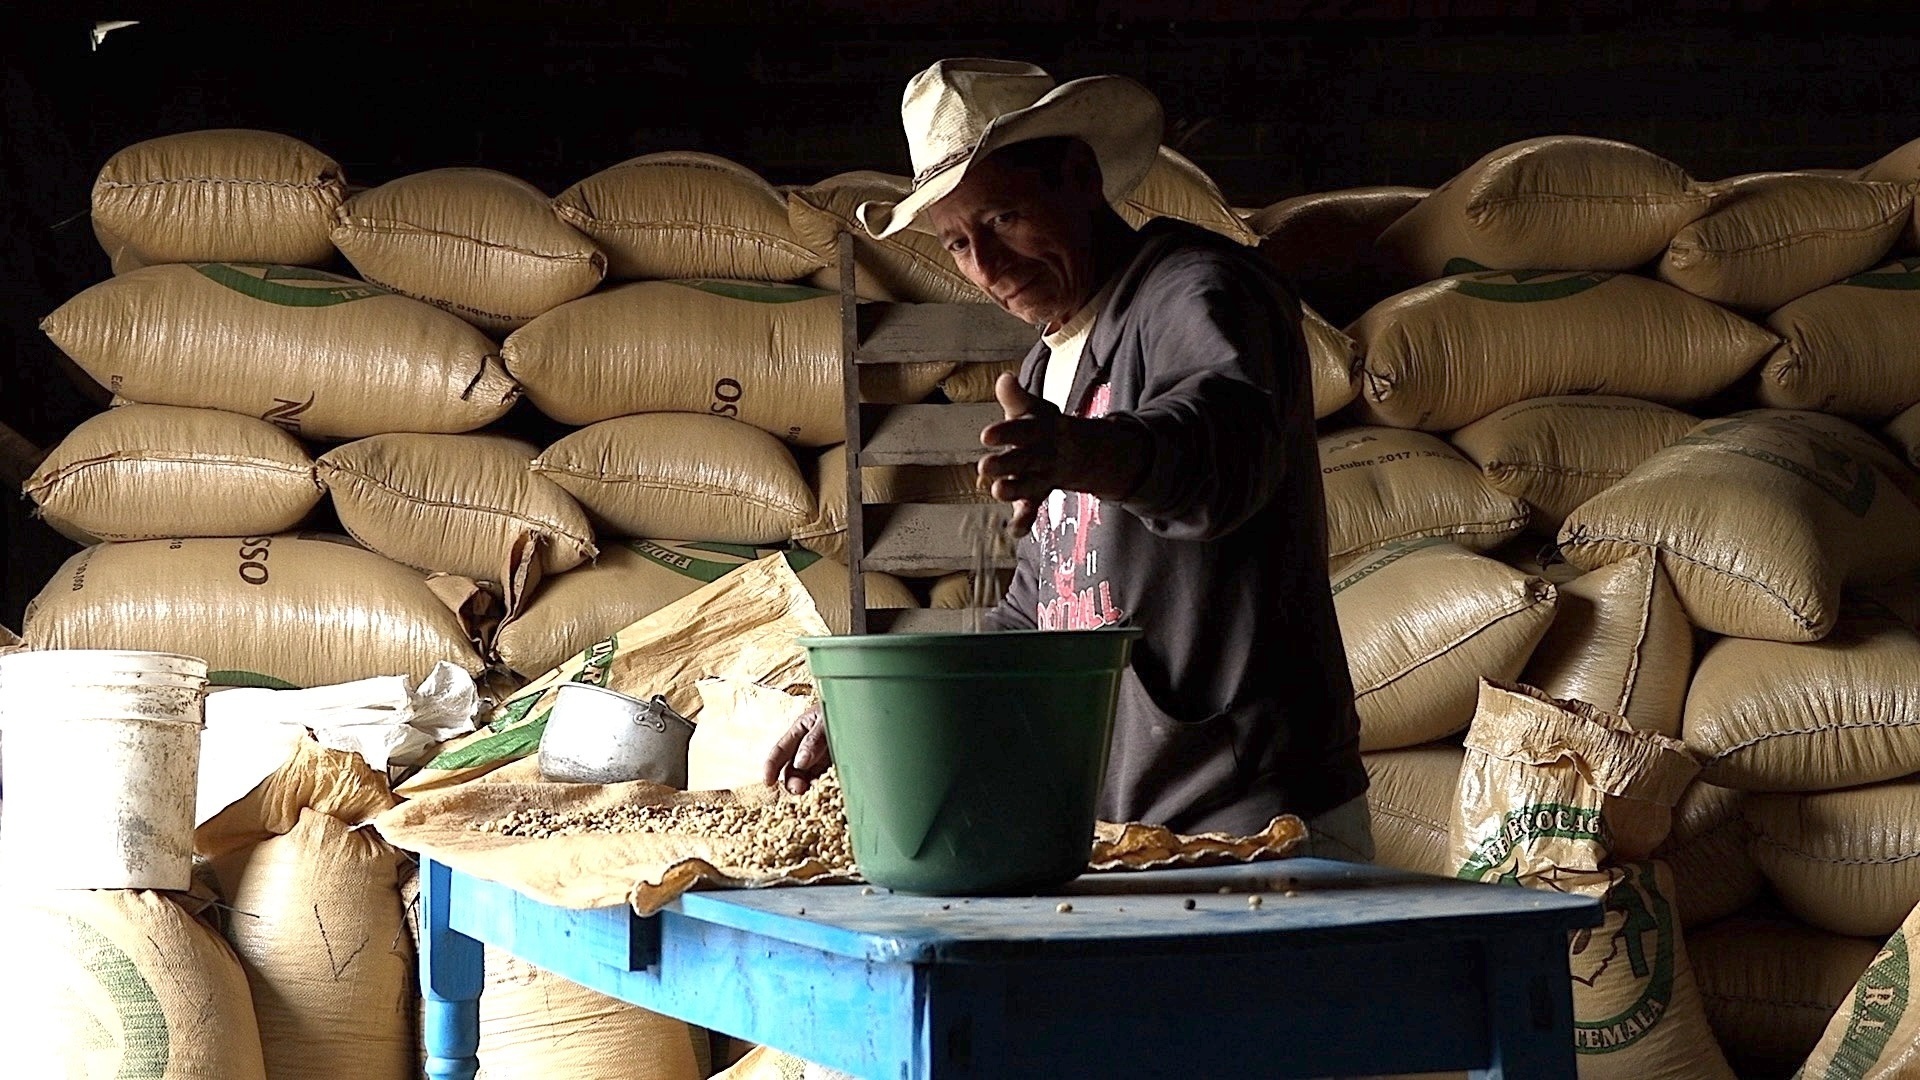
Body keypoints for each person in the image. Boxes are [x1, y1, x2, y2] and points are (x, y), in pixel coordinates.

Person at [767, 58, 1371, 861]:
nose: (984, 265)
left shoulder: (1198, 291)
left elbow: (1227, 456)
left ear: (1078, 177)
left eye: (1005, 218)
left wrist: (1082, 452)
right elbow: (1043, 608)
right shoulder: (1056, 357)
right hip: (1131, 826)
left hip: (1255, 822)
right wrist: (872, 708)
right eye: (956, 242)